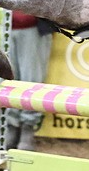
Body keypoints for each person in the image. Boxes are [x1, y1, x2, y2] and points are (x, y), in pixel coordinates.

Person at [6, 11, 54, 151]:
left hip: (34, 27)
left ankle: (28, 129)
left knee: (32, 80)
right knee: (8, 82)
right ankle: (12, 125)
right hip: (4, 27)